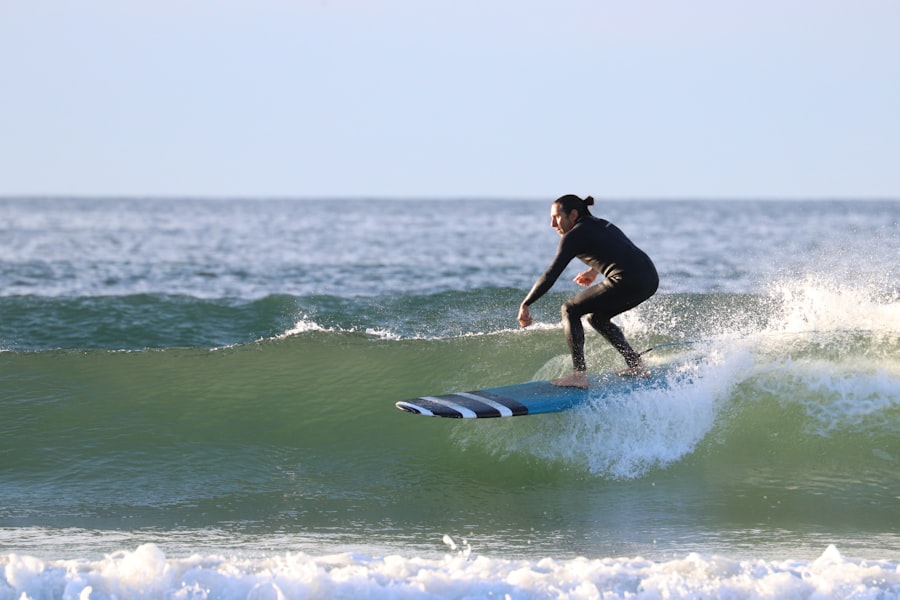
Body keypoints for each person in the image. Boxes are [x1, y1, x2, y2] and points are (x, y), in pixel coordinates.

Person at [517, 194, 659, 389]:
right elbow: (617, 249)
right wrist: (594, 271)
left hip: (628, 280)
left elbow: (550, 274)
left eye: (556, 217)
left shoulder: (574, 235)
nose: (552, 224)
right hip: (649, 278)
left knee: (570, 309)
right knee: (597, 318)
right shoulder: (601, 224)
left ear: (573, 214)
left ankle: (579, 375)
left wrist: (526, 303)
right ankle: (636, 365)